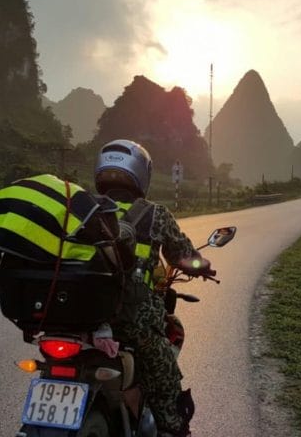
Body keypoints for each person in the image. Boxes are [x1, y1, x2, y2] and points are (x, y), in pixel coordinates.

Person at [94, 139, 214, 437]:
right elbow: (184, 256)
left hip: (83, 317)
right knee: (166, 380)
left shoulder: (83, 208)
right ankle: (171, 429)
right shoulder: (155, 213)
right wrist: (203, 266)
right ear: (140, 174)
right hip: (133, 324)